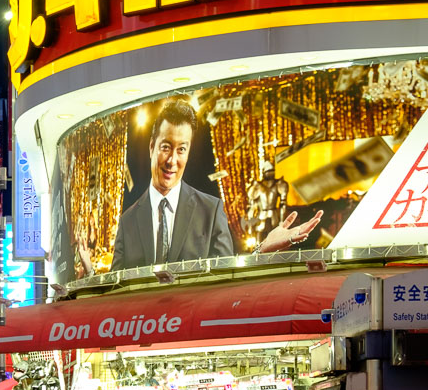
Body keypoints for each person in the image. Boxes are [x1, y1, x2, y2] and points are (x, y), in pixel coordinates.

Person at [112, 98, 322, 271]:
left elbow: (228, 278)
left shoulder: (210, 211)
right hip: (145, 323)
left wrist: (262, 250)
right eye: (166, 147)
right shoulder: (127, 221)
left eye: (182, 149)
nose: (172, 160)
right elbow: (114, 296)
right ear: (151, 147)